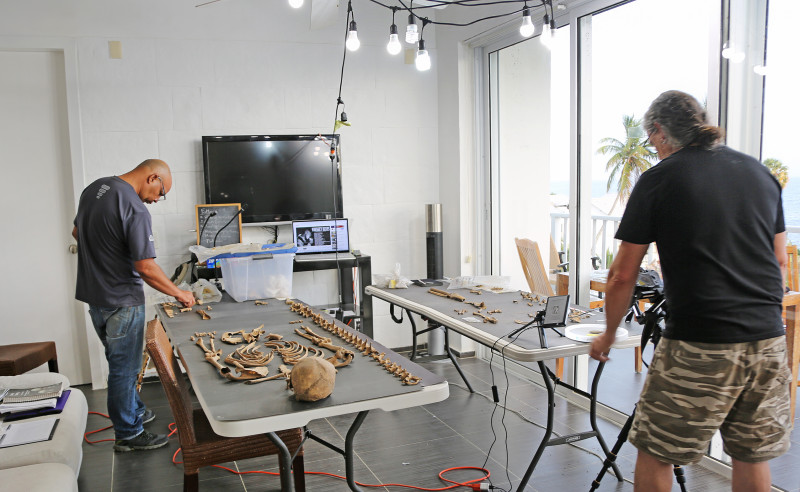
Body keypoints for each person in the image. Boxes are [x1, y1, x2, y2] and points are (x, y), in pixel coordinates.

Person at [589, 91, 792, 492]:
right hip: (767, 340)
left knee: (655, 452)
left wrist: (610, 333)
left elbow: (621, 275)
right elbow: (780, 259)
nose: (652, 148)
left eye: (650, 139)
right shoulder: (758, 173)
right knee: (750, 455)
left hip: (701, 343)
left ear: (659, 131)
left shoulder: (660, 178)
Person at [72, 159, 196, 452]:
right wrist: (180, 293)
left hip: (95, 297)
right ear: (152, 177)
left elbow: (78, 234)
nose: (156, 200)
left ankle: (135, 411)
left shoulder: (96, 189)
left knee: (118, 361)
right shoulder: (134, 207)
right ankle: (128, 433)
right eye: (160, 192)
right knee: (124, 369)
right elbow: (146, 268)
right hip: (122, 299)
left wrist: (105, 257)